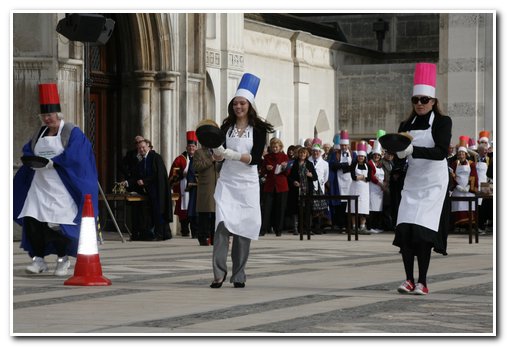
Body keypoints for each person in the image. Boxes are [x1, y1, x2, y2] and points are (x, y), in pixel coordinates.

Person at [13, 83, 98, 276]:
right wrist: (31, 159)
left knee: (58, 224)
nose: (47, 118)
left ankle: (62, 259)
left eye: (50, 115)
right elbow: (28, 149)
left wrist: (56, 162)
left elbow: (79, 155)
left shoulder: (71, 132)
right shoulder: (40, 133)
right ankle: (38, 260)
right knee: (33, 221)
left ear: (58, 114)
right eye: (44, 116)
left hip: (62, 187)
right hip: (39, 186)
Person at [209, 73, 274, 288]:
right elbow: (217, 156)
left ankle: (239, 274)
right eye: (235, 103)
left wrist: (231, 154)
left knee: (243, 229)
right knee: (222, 226)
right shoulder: (225, 127)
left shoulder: (259, 130)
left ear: (249, 105)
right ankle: (218, 273)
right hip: (227, 181)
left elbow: (255, 158)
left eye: (242, 103)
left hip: (247, 183)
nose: (238, 107)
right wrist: (217, 152)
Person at [393, 63, 452, 295]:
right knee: (406, 230)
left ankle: (423, 281)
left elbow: (441, 152)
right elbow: (400, 158)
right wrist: (398, 155)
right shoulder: (405, 125)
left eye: (424, 99)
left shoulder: (442, 122)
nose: (419, 103)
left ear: (433, 101)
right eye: (415, 100)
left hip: (434, 184)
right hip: (413, 182)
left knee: (422, 233)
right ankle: (408, 279)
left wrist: (412, 151)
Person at [121, 139, 173, 240]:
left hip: (158, 191)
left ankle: (160, 235)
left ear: (148, 146)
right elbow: (136, 176)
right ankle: (153, 234)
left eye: (143, 147)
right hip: (149, 192)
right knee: (151, 213)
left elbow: (156, 174)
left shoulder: (155, 157)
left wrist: (145, 181)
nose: (141, 149)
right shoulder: (142, 160)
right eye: (139, 148)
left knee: (159, 212)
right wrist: (127, 182)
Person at [193, 120, 221, 246]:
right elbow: (197, 166)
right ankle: (203, 237)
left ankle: (215, 237)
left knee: (216, 214)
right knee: (204, 214)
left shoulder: (217, 151)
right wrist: (211, 159)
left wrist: (220, 159)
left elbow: (220, 167)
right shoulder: (199, 152)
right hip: (206, 187)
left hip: (217, 185)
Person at [169, 131, 199, 238]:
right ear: (186, 147)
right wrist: (182, 174)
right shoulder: (179, 159)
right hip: (183, 188)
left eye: (193, 146)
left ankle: (195, 232)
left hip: (196, 188)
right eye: (189, 146)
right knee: (184, 210)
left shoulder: (201, 157)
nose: (191, 148)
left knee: (196, 209)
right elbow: (173, 175)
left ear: (196, 147)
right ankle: (185, 231)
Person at [259, 137, 289, 237]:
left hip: (281, 185)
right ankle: (263, 229)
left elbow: (288, 172)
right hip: (270, 185)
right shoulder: (267, 157)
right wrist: (267, 168)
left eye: (276, 147)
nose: (274, 148)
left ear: (280, 147)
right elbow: (262, 171)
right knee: (266, 208)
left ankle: (278, 230)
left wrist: (285, 168)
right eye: (273, 147)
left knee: (280, 208)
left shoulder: (284, 157)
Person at [287, 146, 318, 235]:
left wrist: (310, 175)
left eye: (304, 153)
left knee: (307, 209)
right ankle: (296, 228)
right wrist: (294, 182)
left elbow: (315, 177)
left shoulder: (309, 164)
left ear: (306, 154)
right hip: (296, 190)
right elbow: (290, 177)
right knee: (296, 209)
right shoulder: (295, 163)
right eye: (300, 153)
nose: (302, 155)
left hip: (307, 190)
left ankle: (307, 228)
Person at [450, 146, 479, 227]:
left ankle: (469, 227)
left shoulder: (471, 164)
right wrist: (456, 185)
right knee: (458, 207)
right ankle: (459, 226)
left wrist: (469, 187)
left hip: (468, 190)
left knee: (469, 207)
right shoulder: (454, 163)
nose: (461, 155)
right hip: (457, 190)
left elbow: (473, 175)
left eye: (463, 153)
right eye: (459, 153)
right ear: (457, 155)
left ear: (466, 154)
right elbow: (452, 175)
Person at [349, 142, 370, 233]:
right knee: (354, 208)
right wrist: (362, 177)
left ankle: (362, 226)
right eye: (359, 156)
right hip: (355, 189)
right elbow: (353, 177)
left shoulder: (368, 166)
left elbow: (369, 178)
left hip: (364, 190)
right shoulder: (353, 165)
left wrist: (360, 177)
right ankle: (354, 226)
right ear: (357, 157)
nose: (360, 158)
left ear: (364, 157)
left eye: (362, 156)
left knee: (363, 208)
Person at [367, 140, 387, 233]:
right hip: (373, 189)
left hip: (380, 190)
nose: (377, 156)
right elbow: (371, 177)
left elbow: (384, 175)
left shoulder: (380, 164)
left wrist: (384, 183)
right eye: (375, 155)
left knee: (378, 209)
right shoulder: (370, 163)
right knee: (372, 209)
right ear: (372, 155)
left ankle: (376, 226)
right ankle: (371, 227)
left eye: (378, 155)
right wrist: (381, 184)